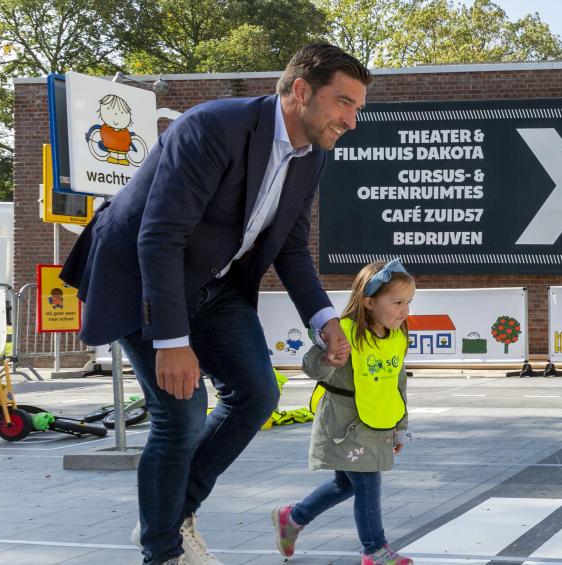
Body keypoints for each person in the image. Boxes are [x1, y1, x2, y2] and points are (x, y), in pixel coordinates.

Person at [59, 43, 371, 564]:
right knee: (180, 416)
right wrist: (172, 341)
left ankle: (172, 514)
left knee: (256, 394)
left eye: (357, 108)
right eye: (344, 103)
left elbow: (291, 248)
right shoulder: (212, 128)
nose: (352, 120)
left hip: (214, 281)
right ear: (300, 91)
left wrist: (324, 320)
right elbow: (158, 236)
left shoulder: (311, 156)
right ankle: (164, 552)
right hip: (140, 275)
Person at [272, 259, 416, 565]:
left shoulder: (396, 336)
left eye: (409, 302)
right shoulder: (344, 331)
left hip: (377, 423)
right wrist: (327, 356)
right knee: (366, 482)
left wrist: (401, 425)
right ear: (369, 301)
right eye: (398, 302)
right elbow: (310, 368)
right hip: (345, 425)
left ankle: (293, 517)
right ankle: (374, 549)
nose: (405, 311)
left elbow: (397, 383)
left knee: (347, 484)